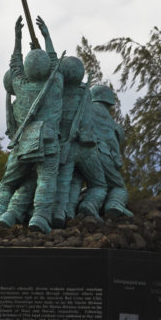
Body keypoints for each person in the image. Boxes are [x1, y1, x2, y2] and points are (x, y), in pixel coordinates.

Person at [0, 16, 63, 233]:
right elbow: (55, 64)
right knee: (46, 180)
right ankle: (40, 217)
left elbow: (15, 67)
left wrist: (17, 39)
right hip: (48, 141)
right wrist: (47, 38)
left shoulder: (20, 87)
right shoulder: (56, 85)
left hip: (23, 145)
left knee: (7, 183)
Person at [51, 56, 107, 227]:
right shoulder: (84, 94)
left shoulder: (54, 94)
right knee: (99, 184)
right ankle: (88, 205)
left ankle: (64, 211)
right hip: (83, 148)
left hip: (62, 147)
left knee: (70, 178)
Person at [89, 83, 132, 220]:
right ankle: (114, 205)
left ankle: (83, 205)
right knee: (118, 187)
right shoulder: (109, 121)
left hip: (81, 153)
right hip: (103, 154)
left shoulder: (83, 110)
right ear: (109, 101)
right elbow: (113, 141)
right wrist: (116, 159)